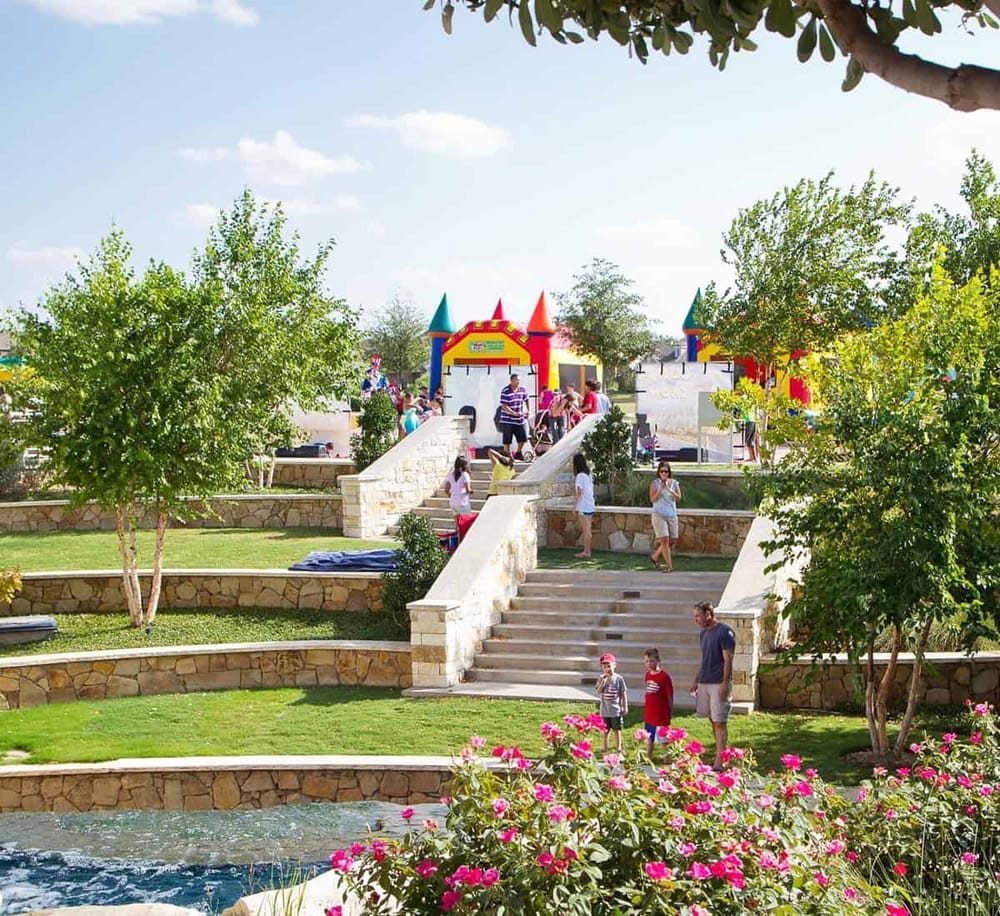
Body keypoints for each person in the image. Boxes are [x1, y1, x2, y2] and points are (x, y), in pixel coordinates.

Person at [691, 601, 737, 771]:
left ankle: (720, 761)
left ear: (708, 614)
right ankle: (721, 753)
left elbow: (728, 660)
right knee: (713, 719)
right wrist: (696, 679)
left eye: (698, 616)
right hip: (705, 681)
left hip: (718, 683)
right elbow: (703, 658)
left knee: (720, 721)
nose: (696, 620)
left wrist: (725, 683)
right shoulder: (703, 634)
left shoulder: (725, 632)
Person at [649, 461, 682, 572]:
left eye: (666, 471)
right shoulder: (654, 483)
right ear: (658, 472)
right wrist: (660, 489)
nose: (664, 473)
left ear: (669, 472)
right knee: (664, 541)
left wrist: (669, 489)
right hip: (658, 515)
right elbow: (652, 499)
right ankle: (669, 566)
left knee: (673, 539)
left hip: (672, 514)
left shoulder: (674, 483)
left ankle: (655, 557)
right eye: (662, 471)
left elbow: (679, 497)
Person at [643, 647, 674, 762]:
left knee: (664, 739)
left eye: (651, 661)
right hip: (649, 714)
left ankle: (667, 759)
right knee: (649, 738)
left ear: (658, 661)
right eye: (646, 661)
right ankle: (648, 758)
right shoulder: (647, 675)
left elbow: (669, 695)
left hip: (661, 714)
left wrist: (670, 710)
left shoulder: (664, 677)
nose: (649, 663)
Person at [596, 652, 628, 753]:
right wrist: (602, 683)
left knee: (617, 730)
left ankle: (618, 747)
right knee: (605, 731)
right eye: (604, 667)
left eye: (609, 666)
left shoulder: (619, 679)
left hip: (615, 711)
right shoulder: (601, 678)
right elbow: (599, 691)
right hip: (605, 711)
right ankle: (605, 747)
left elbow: (623, 694)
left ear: (614, 665)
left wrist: (625, 707)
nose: (607, 669)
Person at [498, 373, 530, 459]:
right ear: (511, 381)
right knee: (507, 439)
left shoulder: (522, 389)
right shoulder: (506, 390)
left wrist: (528, 410)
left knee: (523, 437)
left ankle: (518, 452)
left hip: (520, 419)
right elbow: (504, 405)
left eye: (519, 380)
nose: (518, 382)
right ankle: (507, 454)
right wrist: (513, 413)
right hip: (507, 419)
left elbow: (526, 399)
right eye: (516, 380)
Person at [573, 451, 594, 558]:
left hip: (583, 506)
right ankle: (587, 551)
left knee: (586, 530)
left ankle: (587, 552)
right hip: (590, 504)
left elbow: (579, 492)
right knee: (588, 529)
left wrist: (574, 507)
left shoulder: (580, 476)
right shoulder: (588, 474)